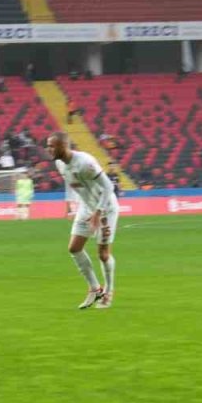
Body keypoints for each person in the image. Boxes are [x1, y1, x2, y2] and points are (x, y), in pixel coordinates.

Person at [47, 132, 119, 309]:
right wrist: (69, 203)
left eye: (51, 146)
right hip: (86, 207)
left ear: (63, 146)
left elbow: (109, 186)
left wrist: (98, 212)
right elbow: (70, 183)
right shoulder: (59, 164)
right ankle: (95, 288)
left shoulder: (86, 163)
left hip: (106, 208)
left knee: (103, 254)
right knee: (74, 248)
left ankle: (108, 291)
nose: (48, 149)